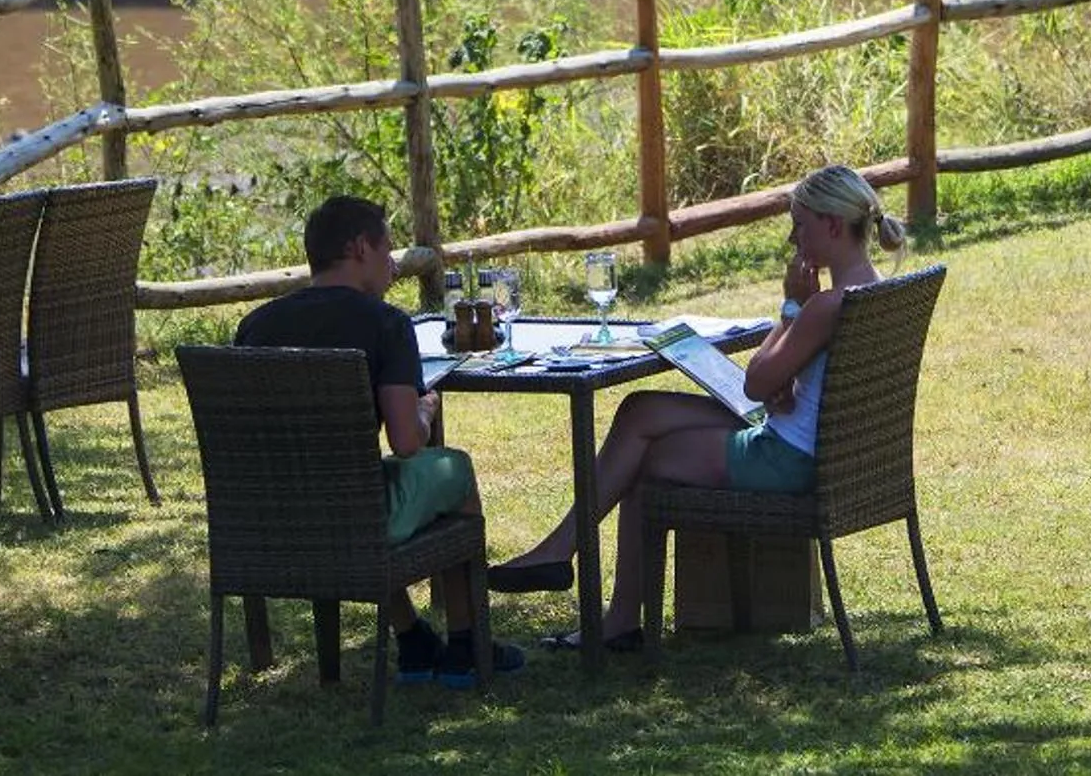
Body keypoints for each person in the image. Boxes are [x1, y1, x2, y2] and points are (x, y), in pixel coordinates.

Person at [488, 163, 907, 651]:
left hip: (788, 459)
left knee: (642, 466)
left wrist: (791, 307)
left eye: (800, 223)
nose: (793, 238)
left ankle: (607, 606)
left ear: (833, 226)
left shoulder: (825, 305)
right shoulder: (878, 291)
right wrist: (787, 364)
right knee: (640, 410)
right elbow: (791, 384)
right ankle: (566, 556)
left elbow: (755, 383)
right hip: (814, 439)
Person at [233, 194, 525, 685]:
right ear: (359, 248)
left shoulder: (255, 326)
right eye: (387, 249)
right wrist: (426, 408)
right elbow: (408, 442)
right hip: (355, 516)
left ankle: (412, 639)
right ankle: (465, 644)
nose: (393, 264)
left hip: (269, 519)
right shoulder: (383, 323)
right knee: (456, 471)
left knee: (354, 485)